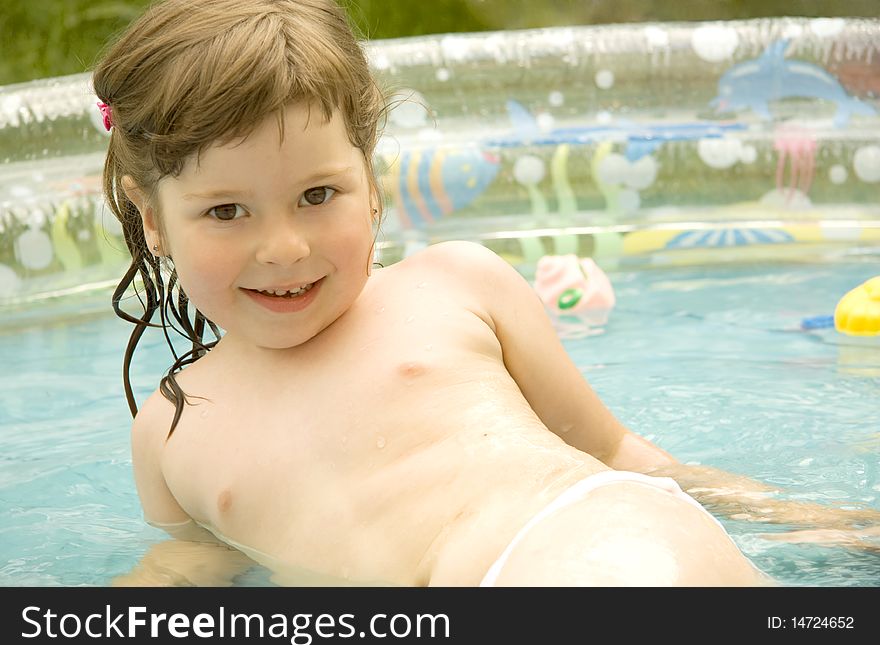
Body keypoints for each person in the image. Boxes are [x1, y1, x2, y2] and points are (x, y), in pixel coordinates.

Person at [96, 0, 877, 587]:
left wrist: (799, 515)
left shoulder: (451, 285)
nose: (284, 247)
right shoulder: (168, 432)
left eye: (317, 195)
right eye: (226, 211)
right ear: (152, 216)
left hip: (594, 541)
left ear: (371, 184)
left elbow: (613, 448)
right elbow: (190, 566)